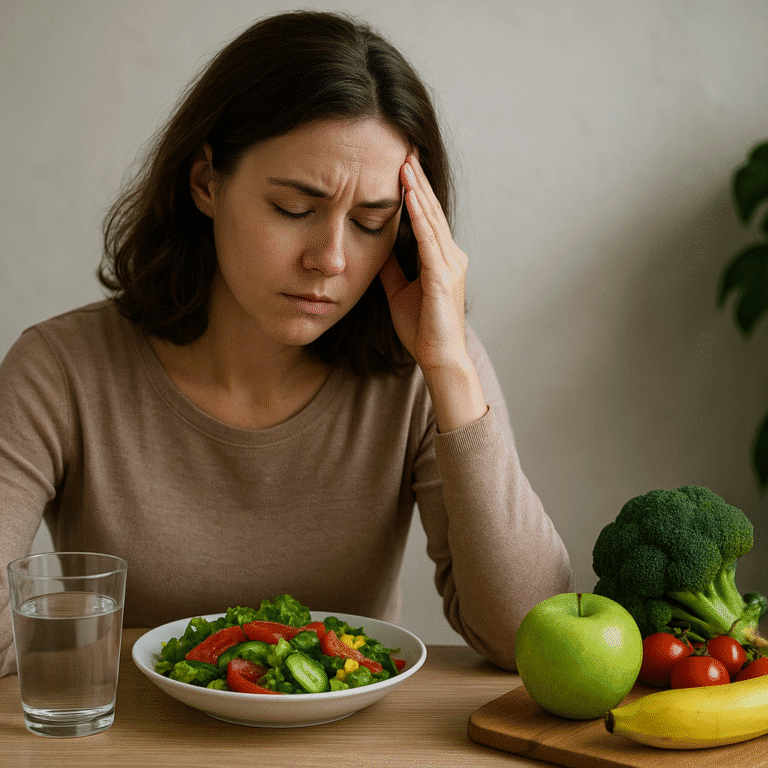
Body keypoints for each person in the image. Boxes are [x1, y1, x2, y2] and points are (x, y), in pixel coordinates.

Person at [0, 10, 571, 676]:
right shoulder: (59, 371)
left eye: (369, 222)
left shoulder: (421, 366)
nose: (330, 259)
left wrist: (450, 368)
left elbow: (530, 639)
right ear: (207, 181)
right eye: (294, 209)